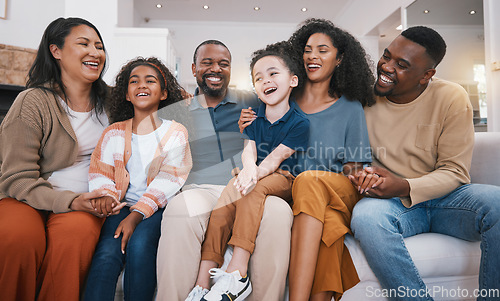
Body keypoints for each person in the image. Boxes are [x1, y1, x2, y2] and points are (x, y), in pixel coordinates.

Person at [349, 26, 500, 301]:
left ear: (426, 75)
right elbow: (346, 153)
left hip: (447, 200)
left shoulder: (451, 97)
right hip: (391, 202)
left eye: (402, 65)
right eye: (386, 56)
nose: (386, 67)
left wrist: (404, 185)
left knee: (498, 202)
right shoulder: (363, 99)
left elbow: (455, 171)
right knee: (366, 218)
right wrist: (361, 175)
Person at [239, 18, 375, 301]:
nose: (313, 56)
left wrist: (363, 176)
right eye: (308, 49)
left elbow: (354, 167)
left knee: (311, 181)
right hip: (294, 193)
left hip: (335, 190)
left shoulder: (350, 108)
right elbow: (260, 148)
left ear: (339, 59)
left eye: (323, 50)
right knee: (330, 228)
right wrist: (249, 129)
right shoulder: (282, 98)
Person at [156, 40, 294, 301]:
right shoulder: (179, 111)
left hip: (248, 187)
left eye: (223, 64)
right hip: (201, 190)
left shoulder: (254, 100)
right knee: (179, 210)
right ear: (194, 68)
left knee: (278, 212)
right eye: (207, 63)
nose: (216, 69)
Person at [186, 41, 310, 301]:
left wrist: (251, 174)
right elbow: (249, 149)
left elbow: (276, 159)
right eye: (258, 78)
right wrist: (247, 170)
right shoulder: (254, 113)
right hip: (253, 171)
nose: (266, 81)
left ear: (293, 80)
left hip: (283, 178)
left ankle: (238, 272)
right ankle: (202, 283)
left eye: (273, 74)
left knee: (254, 190)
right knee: (224, 205)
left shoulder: (300, 122)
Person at [0, 17, 110, 301]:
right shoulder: (32, 102)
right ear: (55, 51)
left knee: (75, 238)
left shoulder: (114, 102)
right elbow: (17, 178)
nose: (95, 52)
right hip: (27, 197)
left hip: (86, 201)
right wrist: (68, 201)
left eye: (99, 46)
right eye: (83, 44)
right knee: (16, 238)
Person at [83, 57, 192, 301]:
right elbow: (100, 171)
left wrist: (137, 214)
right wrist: (106, 198)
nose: (141, 85)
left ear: (164, 94)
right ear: (127, 95)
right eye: (134, 81)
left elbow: (171, 178)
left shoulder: (175, 132)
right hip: (119, 208)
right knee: (107, 254)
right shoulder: (113, 133)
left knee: (140, 247)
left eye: (150, 80)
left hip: (156, 209)